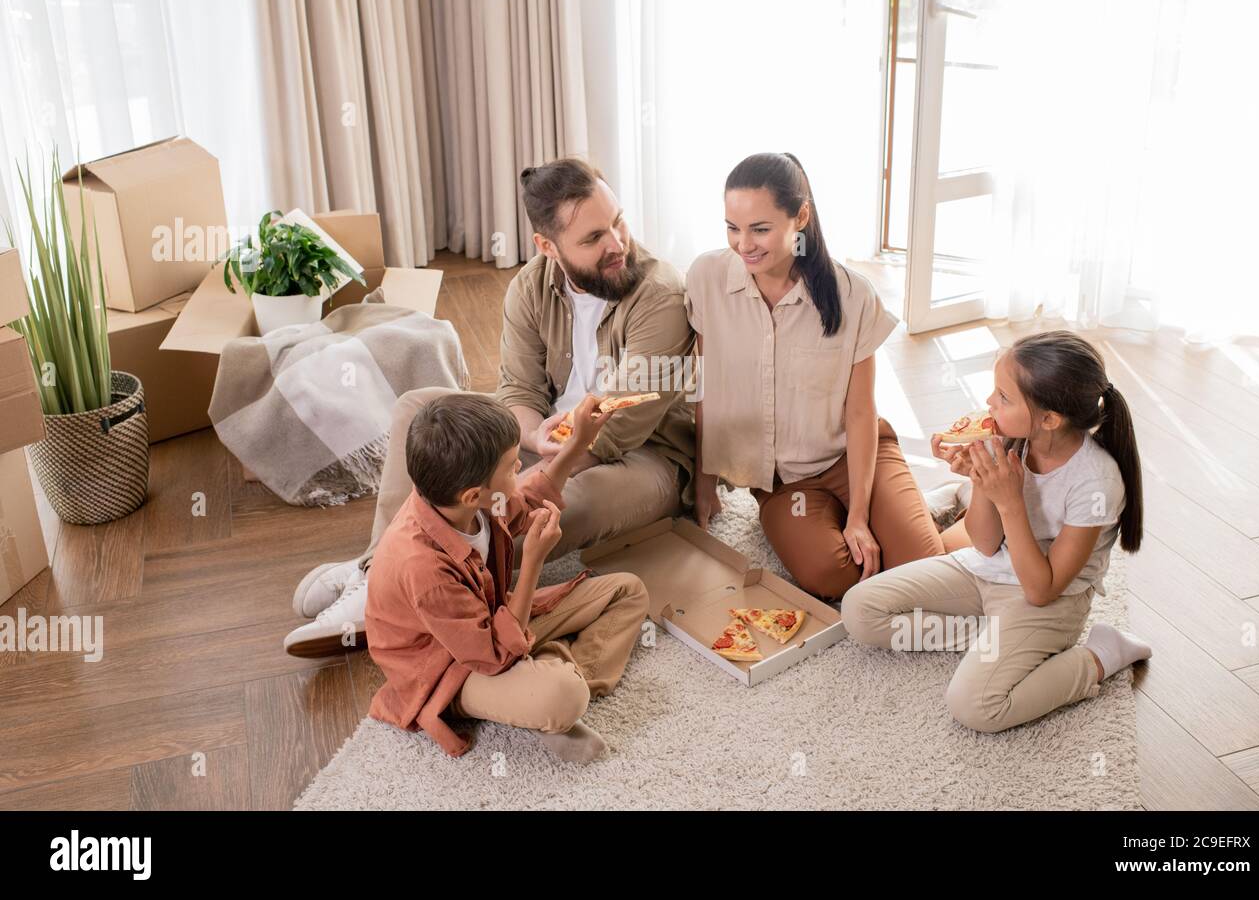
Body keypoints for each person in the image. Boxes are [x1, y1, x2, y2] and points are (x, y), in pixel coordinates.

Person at [284, 157, 694, 654]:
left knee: (555, 507)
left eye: (618, 222)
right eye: (592, 239)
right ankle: (378, 567)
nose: (617, 244)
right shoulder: (530, 286)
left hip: (642, 459)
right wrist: (530, 436)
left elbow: (618, 426)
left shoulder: (659, 293)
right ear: (547, 247)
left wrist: (530, 478)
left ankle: (403, 582)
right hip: (550, 438)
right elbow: (518, 392)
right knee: (419, 410)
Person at [841, 330, 1152, 733]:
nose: (989, 403)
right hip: (988, 571)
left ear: (1050, 419)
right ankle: (991, 639)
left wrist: (1009, 501)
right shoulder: (1012, 437)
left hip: (1047, 598)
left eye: (1003, 397)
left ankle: (1099, 656)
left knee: (976, 706)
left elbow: (1043, 589)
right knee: (860, 611)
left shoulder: (1096, 482)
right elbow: (986, 545)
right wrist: (980, 476)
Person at [686, 152, 942, 600]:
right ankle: (896, 519)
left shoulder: (852, 295)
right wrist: (704, 479)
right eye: (732, 227)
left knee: (925, 570)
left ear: (800, 217)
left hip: (855, 457)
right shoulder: (707, 277)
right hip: (788, 485)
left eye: (760, 229)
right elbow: (708, 386)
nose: (743, 244)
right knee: (834, 577)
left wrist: (860, 516)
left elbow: (861, 413)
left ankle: (933, 514)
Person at [363, 392, 648, 763]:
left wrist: (578, 441)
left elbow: (526, 500)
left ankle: (540, 686)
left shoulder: (466, 501)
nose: (521, 471)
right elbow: (492, 656)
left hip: (496, 625)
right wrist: (532, 562)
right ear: (473, 495)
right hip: (450, 670)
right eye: (514, 467)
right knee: (563, 697)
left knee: (628, 591)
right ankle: (546, 697)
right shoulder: (423, 567)